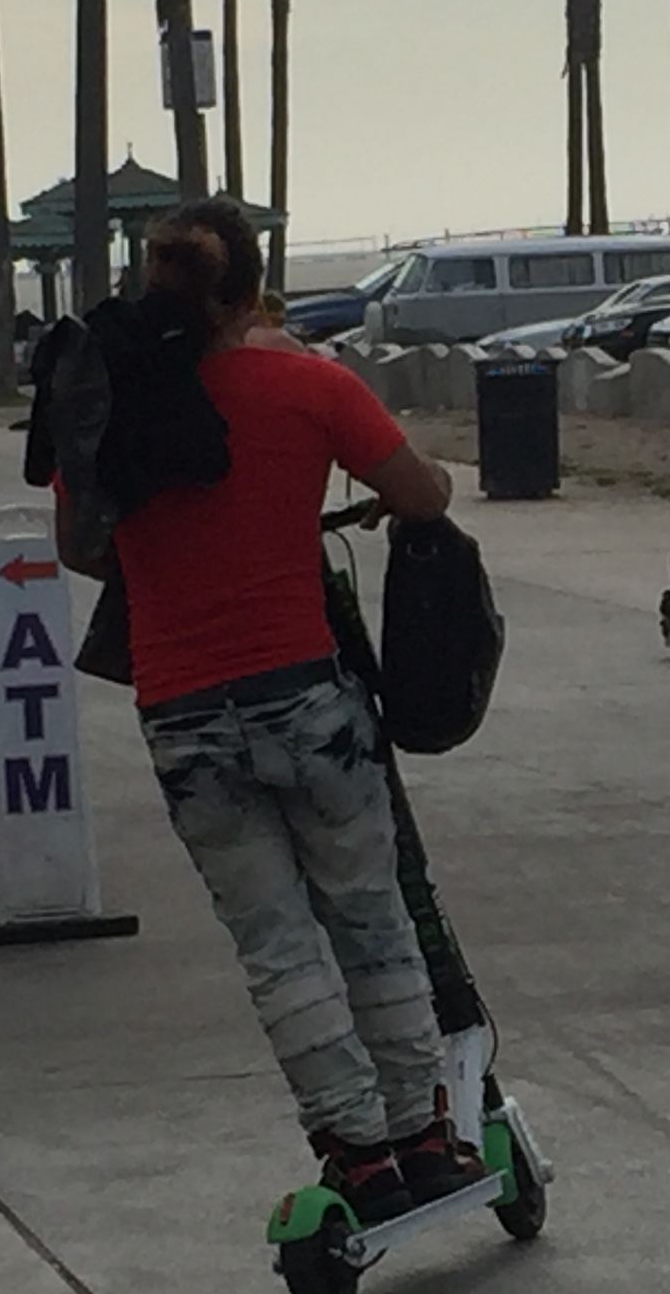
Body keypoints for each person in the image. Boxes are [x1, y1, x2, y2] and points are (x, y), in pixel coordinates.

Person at [115, 198, 471, 1225]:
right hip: (303, 699)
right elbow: (422, 496)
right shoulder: (311, 386)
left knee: (274, 945)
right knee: (370, 917)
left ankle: (355, 1153)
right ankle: (423, 1133)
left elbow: (87, 548)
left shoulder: (112, 401)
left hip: (181, 716)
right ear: (254, 293)